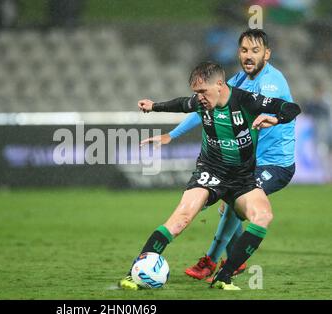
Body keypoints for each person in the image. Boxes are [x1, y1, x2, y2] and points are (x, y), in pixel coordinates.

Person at [118, 61, 301, 290]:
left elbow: (291, 108)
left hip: (242, 178)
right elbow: (181, 104)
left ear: (220, 85)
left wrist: (276, 118)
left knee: (263, 216)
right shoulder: (201, 102)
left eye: (203, 92)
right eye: (196, 92)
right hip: (210, 172)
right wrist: (154, 106)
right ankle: (133, 273)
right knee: (181, 219)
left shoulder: (245, 100)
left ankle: (223, 277)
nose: (199, 98)